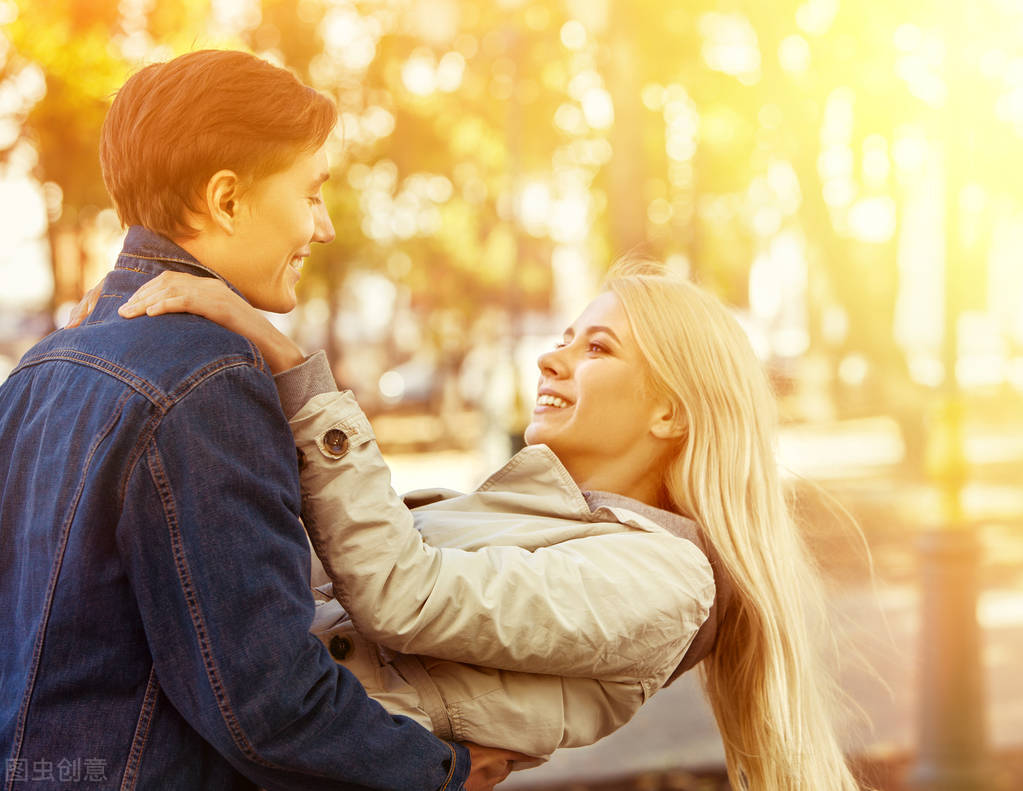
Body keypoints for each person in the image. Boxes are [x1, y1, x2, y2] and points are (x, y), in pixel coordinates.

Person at [107, 260, 866, 790]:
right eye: (564, 336)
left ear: (670, 411)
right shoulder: (500, 509)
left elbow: (401, 592)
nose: (551, 358)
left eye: (595, 347)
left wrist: (288, 362)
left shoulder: (668, 579)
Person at [0, 49, 517, 791]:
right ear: (227, 200)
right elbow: (264, 699)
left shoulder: (40, 367)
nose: (325, 227)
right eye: (311, 195)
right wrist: (441, 770)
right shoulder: (209, 379)